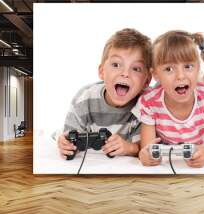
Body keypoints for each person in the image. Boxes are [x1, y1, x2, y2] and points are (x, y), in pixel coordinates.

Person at [55, 28, 152, 160]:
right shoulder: (85, 99)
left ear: (146, 80)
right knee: (59, 136)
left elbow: (147, 147)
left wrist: (129, 148)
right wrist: (66, 144)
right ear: (102, 72)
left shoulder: (148, 103)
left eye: (136, 68)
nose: (125, 73)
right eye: (116, 64)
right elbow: (70, 137)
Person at [136, 30, 204, 168]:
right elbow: (147, 147)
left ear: (198, 69)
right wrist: (145, 155)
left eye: (188, 66)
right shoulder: (149, 102)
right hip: (173, 142)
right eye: (169, 69)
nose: (180, 76)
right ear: (155, 75)